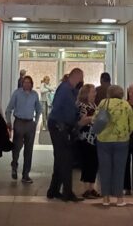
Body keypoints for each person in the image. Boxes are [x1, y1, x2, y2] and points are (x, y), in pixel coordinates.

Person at [46, 68, 89, 202]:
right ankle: (67, 193)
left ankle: (53, 190)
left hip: (63, 126)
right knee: (66, 159)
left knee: (61, 159)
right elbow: (57, 107)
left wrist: (76, 118)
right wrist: (70, 122)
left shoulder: (71, 90)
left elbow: (71, 108)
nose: (82, 80)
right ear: (76, 76)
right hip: (59, 127)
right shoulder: (65, 89)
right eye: (81, 77)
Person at [96, 84, 133, 207]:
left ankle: (105, 198)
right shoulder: (126, 105)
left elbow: (95, 119)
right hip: (121, 141)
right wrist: (127, 134)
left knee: (104, 168)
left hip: (103, 140)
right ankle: (119, 198)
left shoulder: (103, 103)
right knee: (119, 169)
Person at [6, 74, 42, 183]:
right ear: (22, 83)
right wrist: (8, 122)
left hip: (30, 123)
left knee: (29, 150)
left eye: (29, 82)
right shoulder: (17, 93)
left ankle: (26, 174)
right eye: (25, 82)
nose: (27, 84)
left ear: (32, 84)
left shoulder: (35, 94)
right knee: (16, 147)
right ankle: (14, 165)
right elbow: (9, 109)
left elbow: (39, 109)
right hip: (19, 122)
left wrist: (35, 122)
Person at [75, 83, 100, 199]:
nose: (95, 93)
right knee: (87, 162)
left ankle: (91, 187)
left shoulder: (93, 105)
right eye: (93, 91)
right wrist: (93, 118)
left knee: (94, 163)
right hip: (85, 138)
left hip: (94, 138)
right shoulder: (82, 106)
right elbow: (80, 122)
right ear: (86, 93)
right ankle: (86, 188)